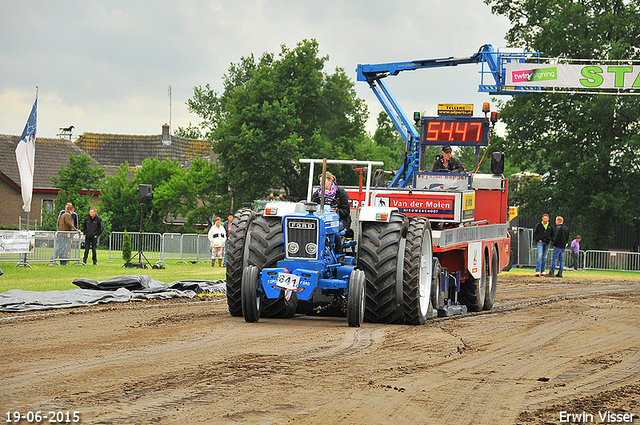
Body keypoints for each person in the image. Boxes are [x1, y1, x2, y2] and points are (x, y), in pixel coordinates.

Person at [311, 171, 351, 253]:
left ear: (330, 181)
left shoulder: (341, 193)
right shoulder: (317, 194)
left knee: (333, 230)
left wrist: (337, 211)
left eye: (323, 181)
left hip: (339, 220)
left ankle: (339, 252)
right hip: (322, 220)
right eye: (320, 182)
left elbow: (346, 211)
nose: (321, 183)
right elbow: (312, 205)